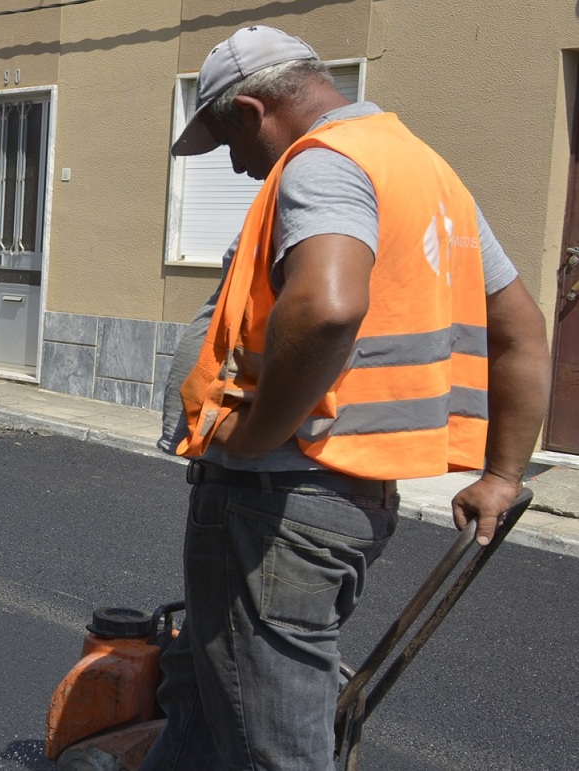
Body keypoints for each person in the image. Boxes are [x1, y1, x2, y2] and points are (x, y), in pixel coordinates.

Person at [147, 26, 549, 770]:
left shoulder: (322, 168)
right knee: (205, 711)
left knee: (277, 746)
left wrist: (259, 432)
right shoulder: (422, 169)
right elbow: (522, 329)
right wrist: (500, 474)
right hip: (337, 500)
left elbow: (328, 306)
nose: (237, 167)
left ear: (250, 109)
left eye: (229, 143)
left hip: (276, 503)